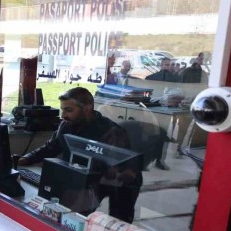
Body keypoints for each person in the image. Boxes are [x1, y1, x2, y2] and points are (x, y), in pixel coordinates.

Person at [18, 87, 142, 223]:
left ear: (87, 109)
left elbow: (120, 172)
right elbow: (51, 147)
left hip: (114, 182)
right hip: (81, 178)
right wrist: (26, 158)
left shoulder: (112, 132)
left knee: (115, 224)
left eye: (69, 110)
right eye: (62, 109)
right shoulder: (66, 125)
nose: (63, 115)